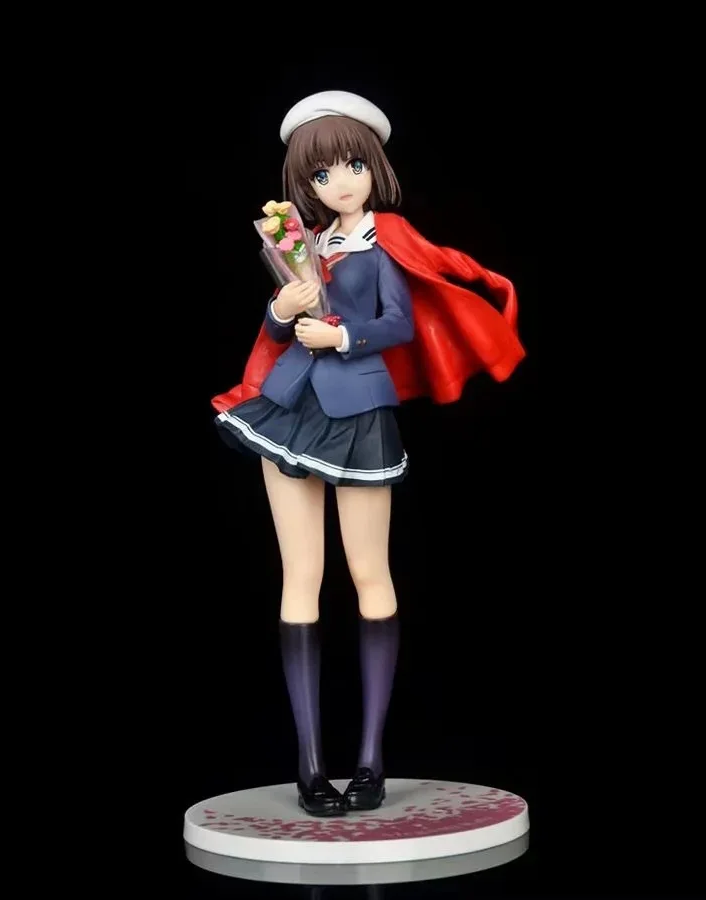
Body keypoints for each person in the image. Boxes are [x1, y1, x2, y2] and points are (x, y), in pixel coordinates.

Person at [212, 91, 526, 816]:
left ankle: (370, 760)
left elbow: (400, 323)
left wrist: (343, 336)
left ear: (374, 165)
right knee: (301, 576)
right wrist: (282, 310)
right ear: (305, 184)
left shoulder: (387, 242)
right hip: (290, 405)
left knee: (369, 575)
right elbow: (279, 327)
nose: (341, 183)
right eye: (322, 174)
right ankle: (309, 765)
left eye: (352, 165)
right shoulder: (304, 242)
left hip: (358, 410)